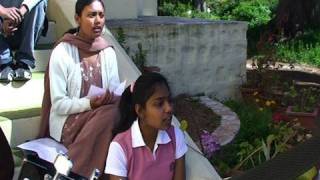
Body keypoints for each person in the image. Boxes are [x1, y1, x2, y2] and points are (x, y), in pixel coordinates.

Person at [38, 0, 120, 178]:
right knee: (110, 116)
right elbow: (58, 104)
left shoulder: (108, 52)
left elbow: (114, 91)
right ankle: (76, 171)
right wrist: (89, 103)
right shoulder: (62, 51)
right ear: (77, 18)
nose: (98, 20)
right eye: (91, 15)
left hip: (101, 116)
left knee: (119, 112)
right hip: (68, 122)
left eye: (101, 15)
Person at [105, 72, 188, 180]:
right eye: (159, 104)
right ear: (140, 110)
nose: (169, 109)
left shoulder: (176, 137)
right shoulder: (120, 147)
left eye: (169, 100)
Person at [0, 0, 47, 82]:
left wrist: (20, 12)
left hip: (26, 27)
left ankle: (24, 61)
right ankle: (3, 62)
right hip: (2, 27)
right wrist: (3, 11)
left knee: (40, 3)